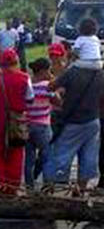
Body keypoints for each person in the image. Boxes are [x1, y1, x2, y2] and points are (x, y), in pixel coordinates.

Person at [44, 50, 104, 191]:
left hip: (73, 120)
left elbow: (51, 87)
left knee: (61, 155)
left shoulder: (73, 72)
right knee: (88, 157)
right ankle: (81, 190)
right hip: (93, 121)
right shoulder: (100, 73)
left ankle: (56, 190)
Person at [0, 49, 34, 193]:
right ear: (16, 62)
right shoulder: (25, 78)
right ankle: (11, 191)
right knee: (16, 155)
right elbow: (30, 99)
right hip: (17, 124)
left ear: (1, 64)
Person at [24, 58, 57, 188]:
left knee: (29, 159)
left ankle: (29, 186)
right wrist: (53, 81)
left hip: (27, 126)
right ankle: (48, 185)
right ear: (43, 71)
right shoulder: (46, 86)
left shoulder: (27, 85)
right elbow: (58, 101)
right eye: (49, 70)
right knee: (48, 157)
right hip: (42, 126)